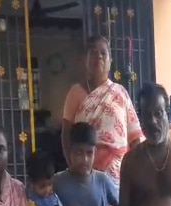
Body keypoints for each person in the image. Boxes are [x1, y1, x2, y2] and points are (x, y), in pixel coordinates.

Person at [61, 35, 144, 182]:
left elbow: (135, 137)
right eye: (93, 52)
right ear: (85, 61)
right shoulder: (75, 93)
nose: (98, 57)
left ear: (110, 62)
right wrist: (73, 169)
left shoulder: (121, 93)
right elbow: (66, 135)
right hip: (86, 176)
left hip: (119, 176)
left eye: (103, 53)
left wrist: (138, 173)